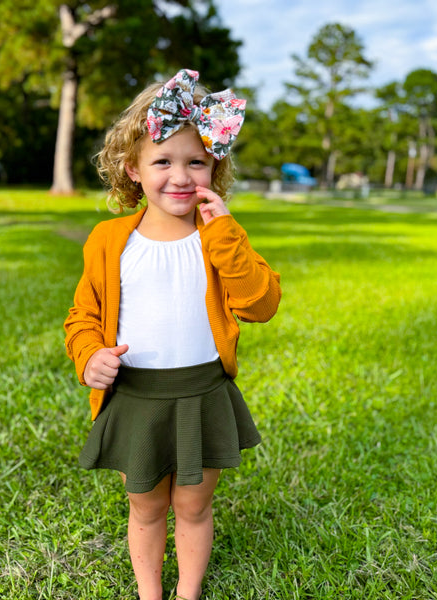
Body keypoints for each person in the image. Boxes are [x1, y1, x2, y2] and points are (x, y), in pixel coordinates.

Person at [64, 69, 281, 600]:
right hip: (136, 396)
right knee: (146, 506)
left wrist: (226, 234)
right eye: (163, 161)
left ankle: (188, 593)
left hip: (203, 394)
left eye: (195, 162)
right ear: (132, 169)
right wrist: (89, 355)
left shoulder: (219, 237)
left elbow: (261, 304)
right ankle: (149, 594)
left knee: (193, 505)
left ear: (214, 167)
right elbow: (82, 316)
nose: (180, 176)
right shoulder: (110, 240)